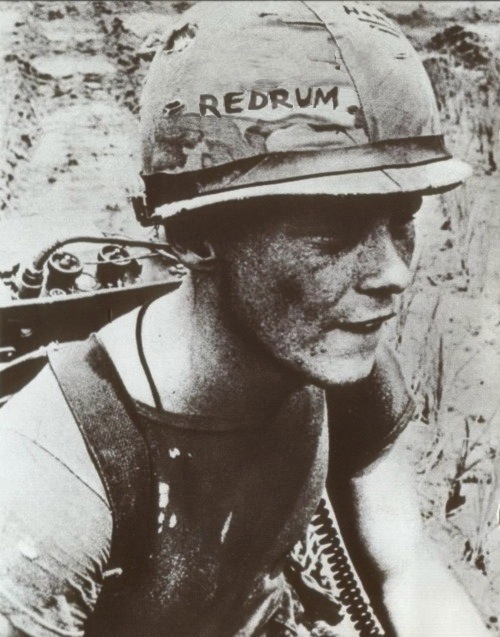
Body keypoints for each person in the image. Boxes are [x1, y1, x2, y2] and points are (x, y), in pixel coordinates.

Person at [0, 2, 489, 636]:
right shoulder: (51, 482)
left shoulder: (337, 359)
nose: (391, 272)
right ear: (194, 236)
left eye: (403, 222)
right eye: (332, 233)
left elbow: (407, 568)